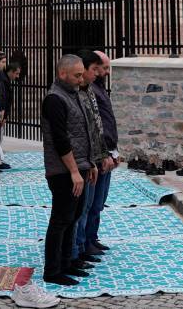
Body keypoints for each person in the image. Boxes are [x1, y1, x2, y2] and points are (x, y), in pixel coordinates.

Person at [40, 54, 98, 286]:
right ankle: (53, 270)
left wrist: (89, 163)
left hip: (79, 166)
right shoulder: (55, 99)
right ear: (62, 74)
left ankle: (68, 261)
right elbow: (61, 140)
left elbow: (84, 132)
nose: (80, 78)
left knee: (73, 216)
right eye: (76, 75)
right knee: (61, 219)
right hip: (63, 171)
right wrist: (74, 171)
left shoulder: (74, 95)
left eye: (82, 74)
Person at [72, 51, 109, 265]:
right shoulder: (73, 95)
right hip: (81, 162)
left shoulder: (91, 92)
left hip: (94, 159)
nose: (99, 74)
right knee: (81, 208)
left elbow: (98, 126)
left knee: (93, 204)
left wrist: (105, 153)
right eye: (94, 70)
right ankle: (77, 249)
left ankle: (85, 243)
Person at [83, 50, 117, 255]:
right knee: (91, 203)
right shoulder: (90, 92)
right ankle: (84, 242)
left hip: (107, 151)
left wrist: (114, 150)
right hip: (98, 155)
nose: (104, 73)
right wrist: (103, 154)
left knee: (99, 202)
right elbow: (95, 127)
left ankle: (91, 238)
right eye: (101, 68)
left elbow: (107, 121)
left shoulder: (99, 89)